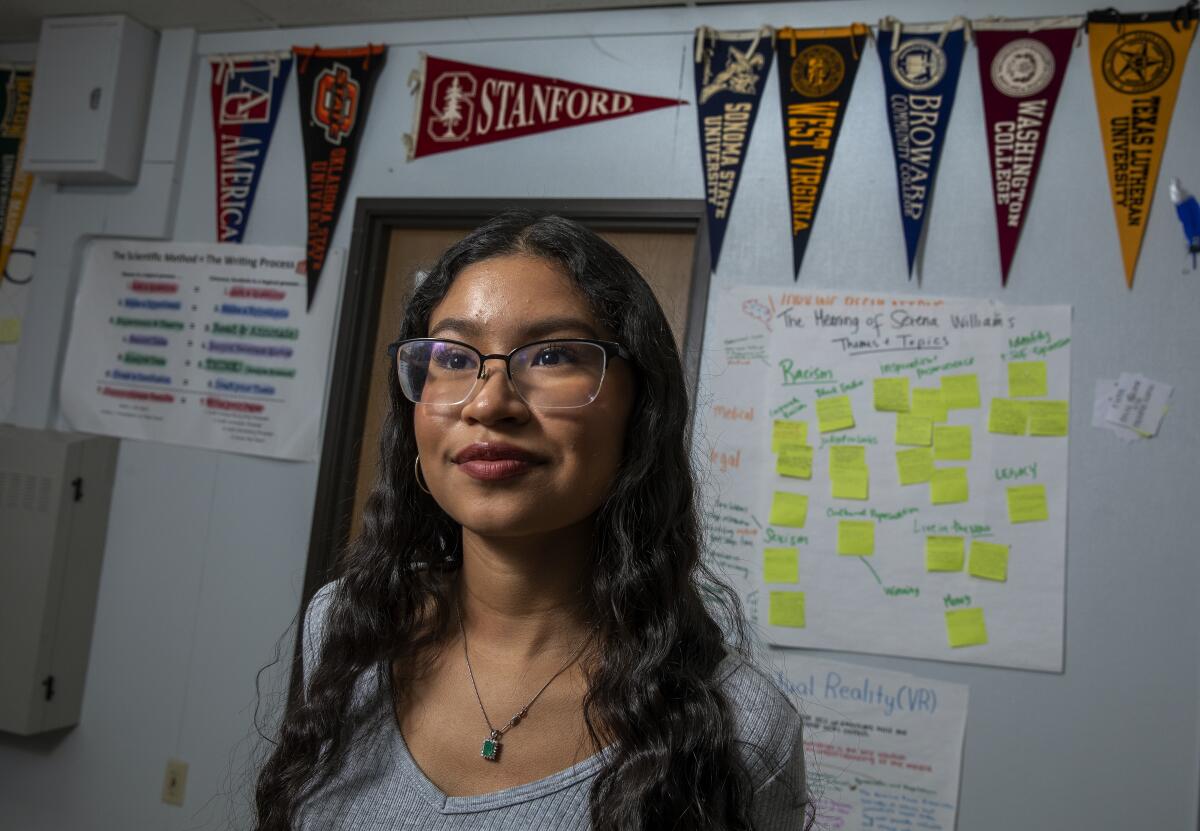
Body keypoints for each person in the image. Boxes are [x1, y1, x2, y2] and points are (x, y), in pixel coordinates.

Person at [254, 211, 811, 830]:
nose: (490, 402)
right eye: (453, 358)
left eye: (551, 355)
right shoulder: (345, 628)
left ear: (641, 411)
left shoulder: (741, 729)